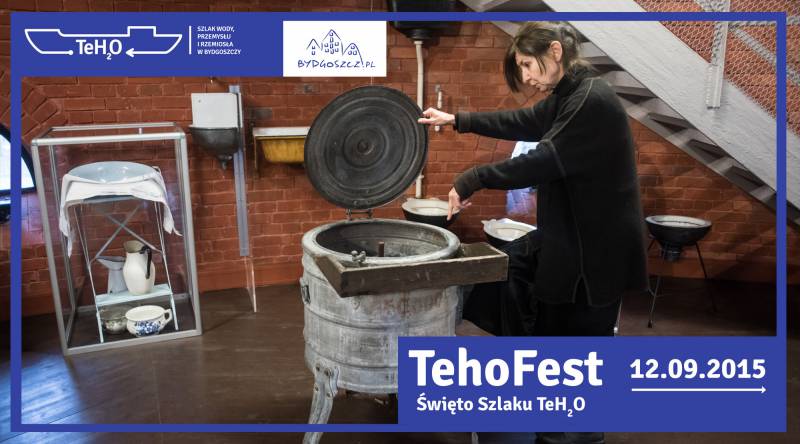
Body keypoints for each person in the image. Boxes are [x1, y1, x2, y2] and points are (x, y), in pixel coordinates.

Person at [418, 21, 648, 444]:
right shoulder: (570, 95)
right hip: (572, 239)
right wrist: (457, 120)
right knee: (518, 277)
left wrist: (472, 178)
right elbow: (521, 121)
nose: (526, 77)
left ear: (555, 51)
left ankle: (570, 434)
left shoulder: (591, 100)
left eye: (527, 64)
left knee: (577, 358)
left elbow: (541, 161)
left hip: (595, 254)